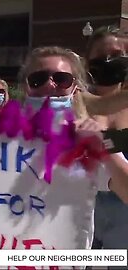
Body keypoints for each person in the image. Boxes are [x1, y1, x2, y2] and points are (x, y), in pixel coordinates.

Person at [18, 46, 128, 249]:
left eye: (61, 79)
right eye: (38, 79)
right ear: (27, 87)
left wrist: (103, 148)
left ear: (74, 88)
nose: (50, 86)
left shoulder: (88, 140)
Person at [83, 26, 128, 252]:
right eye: (101, 57)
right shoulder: (75, 104)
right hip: (82, 213)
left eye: (117, 56)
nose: (109, 62)